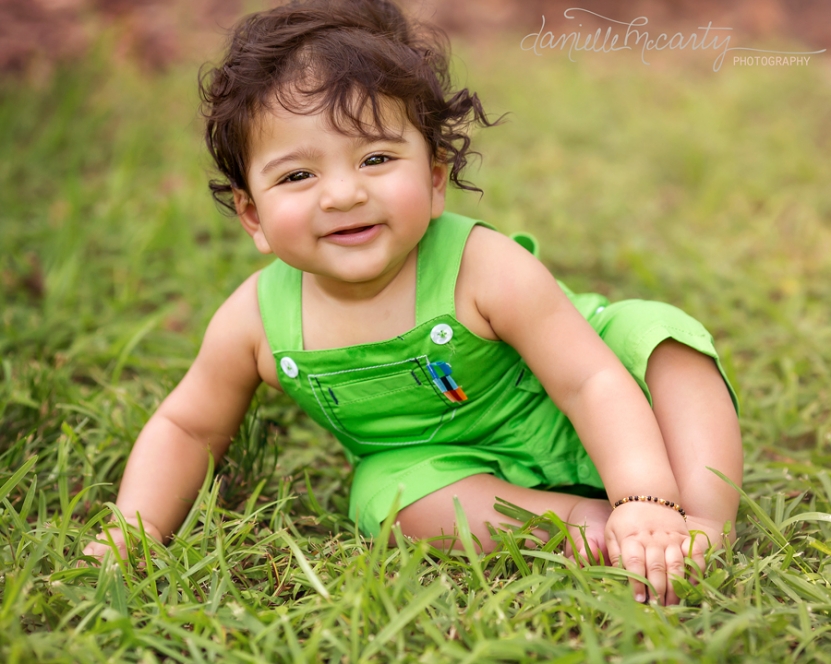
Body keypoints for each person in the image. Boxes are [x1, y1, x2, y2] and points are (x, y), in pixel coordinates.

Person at [83, 0, 743, 606]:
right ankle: (590, 531)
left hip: (590, 413)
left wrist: (643, 492)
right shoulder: (256, 321)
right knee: (388, 498)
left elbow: (589, 380)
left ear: (432, 182)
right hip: (449, 463)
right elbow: (188, 427)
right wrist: (131, 530)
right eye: (297, 175)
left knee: (661, 339)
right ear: (252, 216)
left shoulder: (481, 267)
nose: (341, 194)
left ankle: (695, 520)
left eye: (374, 158)